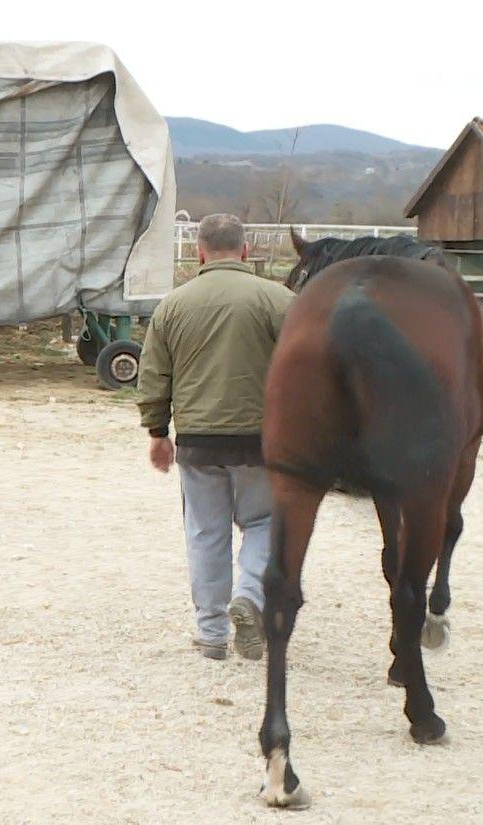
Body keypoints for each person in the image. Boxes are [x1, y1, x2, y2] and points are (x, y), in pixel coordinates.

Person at [136, 214, 294, 661]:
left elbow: (154, 373)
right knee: (265, 523)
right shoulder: (278, 300)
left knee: (206, 533)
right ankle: (249, 595)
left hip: (198, 440)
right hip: (262, 441)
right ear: (246, 252)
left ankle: (211, 634)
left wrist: (157, 431)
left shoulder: (173, 304)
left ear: (200, 251)